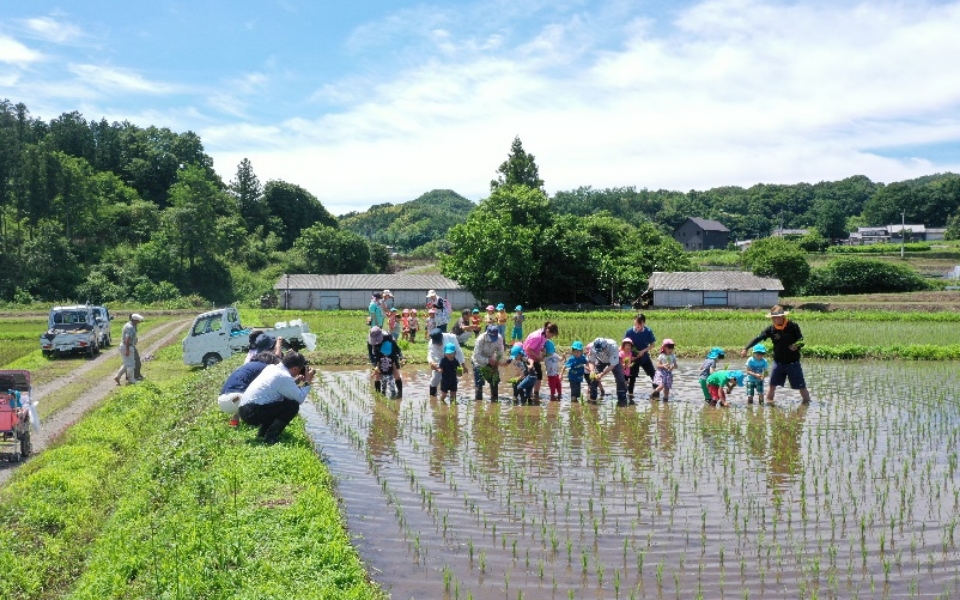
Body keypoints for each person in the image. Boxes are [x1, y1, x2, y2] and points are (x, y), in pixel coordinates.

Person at [238, 351, 315, 444]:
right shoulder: (284, 377)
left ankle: (262, 433)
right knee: (293, 405)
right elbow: (300, 398)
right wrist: (307, 382)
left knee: (280, 401)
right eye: (301, 368)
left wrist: (297, 379)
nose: (302, 370)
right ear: (295, 368)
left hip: (244, 410)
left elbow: (280, 388)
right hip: (253, 413)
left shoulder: (272, 368)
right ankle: (270, 437)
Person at [741, 305, 811, 405]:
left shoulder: (793, 326)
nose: (774, 319)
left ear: (782, 316)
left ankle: (806, 403)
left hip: (793, 362)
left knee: (801, 386)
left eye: (776, 317)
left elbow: (801, 340)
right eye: (773, 318)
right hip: (778, 363)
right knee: (772, 385)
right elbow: (758, 338)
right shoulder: (771, 329)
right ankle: (769, 406)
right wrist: (746, 348)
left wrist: (796, 346)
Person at [218, 351, 281, 426]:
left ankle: (234, 421)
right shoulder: (266, 367)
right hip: (237, 398)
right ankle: (263, 422)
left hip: (222, 401)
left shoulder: (248, 366)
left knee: (242, 393)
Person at [522, 322, 559, 401]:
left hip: (534, 356)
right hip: (528, 357)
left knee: (538, 375)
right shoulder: (537, 337)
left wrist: (543, 349)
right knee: (532, 376)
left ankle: (535, 394)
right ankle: (528, 393)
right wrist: (538, 357)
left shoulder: (544, 335)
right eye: (552, 335)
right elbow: (528, 349)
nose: (551, 337)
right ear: (548, 331)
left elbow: (538, 345)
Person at [587, 337, 629, 406]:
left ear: (605, 346)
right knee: (593, 379)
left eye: (601, 350)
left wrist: (601, 374)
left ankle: (622, 399)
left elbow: (612, 365)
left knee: (620, 378)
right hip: (600, 360)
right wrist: (592, 371)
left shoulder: (613, 346)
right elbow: (591, 361)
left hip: (613, 361)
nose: (600, 351)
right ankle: (593, 399)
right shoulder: (592, 347)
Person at [427, 328, 466, 398]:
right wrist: (431, 363)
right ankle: (432, 395)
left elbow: (459, 352)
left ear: (442, 337)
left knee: (455, 378)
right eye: (436, 342)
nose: (438, 344)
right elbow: (431, 354)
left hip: (453, 359)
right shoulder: (431, 343)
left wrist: (463, 365)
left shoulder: (452, 338)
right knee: (436, 377)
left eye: (439, 342)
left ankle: (452, 396)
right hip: (440, 360)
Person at [368, 326, 405, 398]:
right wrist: (375, 366)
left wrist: (401, 357)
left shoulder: (388, 336)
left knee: (396, 373)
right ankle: (378, 395)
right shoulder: (370, 340)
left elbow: (396, 348)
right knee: (377, 375)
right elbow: (371, 354)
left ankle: (400, 394)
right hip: (378, 354)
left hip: (390, 351)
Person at [471, 325, 506, 402]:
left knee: (495, 380)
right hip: (479, 361)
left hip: (492, 358)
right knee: (479, 382)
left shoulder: (499, 338)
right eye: (491, 338)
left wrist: (496, 363)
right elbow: (476, 356)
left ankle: (494, 399)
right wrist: (488, 361)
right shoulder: (480, 339)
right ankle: (479, 401)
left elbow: (500, 352)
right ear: (487, 333)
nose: (493, 340)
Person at [113, 313, 144, 386]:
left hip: (124, 346)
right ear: (134, 320)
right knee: (131, 364)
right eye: (138, 321)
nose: (138, 323)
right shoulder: (130, 327)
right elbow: (127, 339)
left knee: (126, 364)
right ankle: (131, 380)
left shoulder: (128, 325)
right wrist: (127, 350)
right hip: (127, 346)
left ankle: (117, 376)